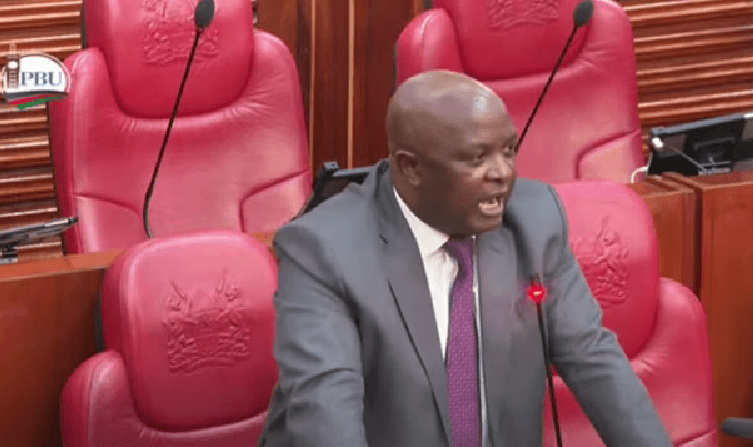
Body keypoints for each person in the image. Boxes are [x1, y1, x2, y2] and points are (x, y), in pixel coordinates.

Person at [258, 70, 672, 447]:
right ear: (411, 168)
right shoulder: (324, 250)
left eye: (508, 151)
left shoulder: (534, 220)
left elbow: (595, 360)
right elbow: (326, 417)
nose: (503, 174)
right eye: (477, 159)